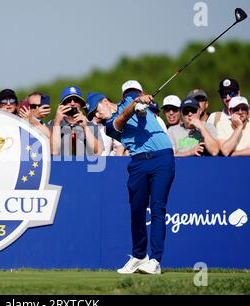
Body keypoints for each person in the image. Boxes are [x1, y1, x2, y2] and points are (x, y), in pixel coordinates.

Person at [105, 89, 175, 275]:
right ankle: (139, 256)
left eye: (96, 109)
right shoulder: (109, 125)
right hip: (138, 162)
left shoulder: (130, 100)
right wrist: (136, 103)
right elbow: (122, 119)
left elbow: (141, 110)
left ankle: (155, 261)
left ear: (105, 102)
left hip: (162, 157)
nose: (96, 114)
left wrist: (140, 104)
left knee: (158, 207)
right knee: (137, 210)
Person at [48, 86, 103, 156]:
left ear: (81, 104)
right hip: (60, 166)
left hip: (84, 165)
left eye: (76, 100)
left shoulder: (90, 125)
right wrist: (57, 122)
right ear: (61, 105)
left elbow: (98, 151)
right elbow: (53, 151)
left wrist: (85, 127)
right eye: (68, 100)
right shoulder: (52, 124)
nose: (72, 103)